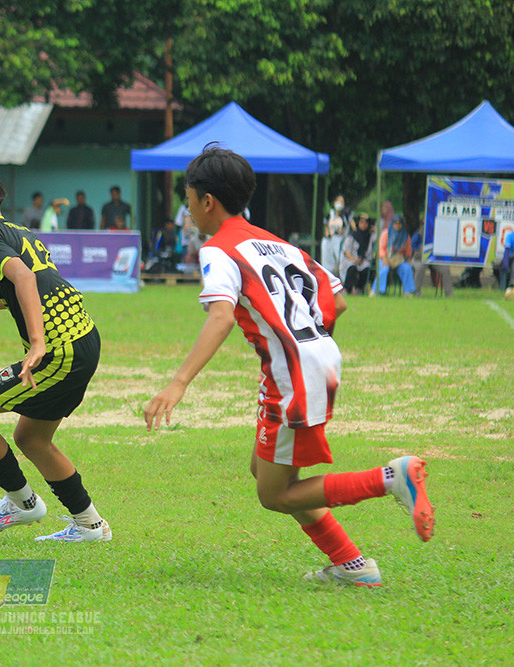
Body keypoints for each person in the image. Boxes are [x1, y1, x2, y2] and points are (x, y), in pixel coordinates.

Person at [143, 145, 435, 586]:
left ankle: (391, 478)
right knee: (263, 470)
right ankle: (353, 565)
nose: (187, 213)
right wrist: (308, 343)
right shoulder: (277, 242)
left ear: (207, 202)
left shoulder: (218, 250)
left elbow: (221, 315)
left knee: (274, 493)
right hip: (312, 361)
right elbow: (337, 300)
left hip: (292, 373)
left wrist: (178, 383)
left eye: (187, 202)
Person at [0, 149, 111, 543]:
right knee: (32, 439)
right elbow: (32, 281)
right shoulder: (18, 231)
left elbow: (25, 281)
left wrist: (36, 343)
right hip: (82, 339)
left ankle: (21, 503)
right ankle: (90, 525)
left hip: (57, 349)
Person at [377, 207, 416, 295]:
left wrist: (407, 258)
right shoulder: (386, 233)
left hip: (398, 260)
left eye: (399, 224)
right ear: (392, 224)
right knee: (384, 269)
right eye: (395, 223)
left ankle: (408, 291)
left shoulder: (405, 236)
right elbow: (381, 248)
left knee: (407, 268)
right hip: (385, 258)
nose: (397, 225)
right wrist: (385, 259)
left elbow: (408, 251)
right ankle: (378, 291)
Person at [339, 213, 376, 295]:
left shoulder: (370, 236)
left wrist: (375, 230)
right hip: (351, 259)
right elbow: (346, 251)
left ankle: (359, 288)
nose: (363, 225)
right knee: (352, 268)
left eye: (366, 223)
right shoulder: (352, 235)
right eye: (361, 222)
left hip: (364, 260)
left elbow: (377, 240)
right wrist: (354, 259)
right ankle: (347, 288)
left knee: (366, 269)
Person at [411, 226, 453, 297]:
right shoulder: (418, 235)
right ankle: (416, 292)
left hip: (433, 258)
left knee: (445, 269)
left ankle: (449, 293)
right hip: (419, 258)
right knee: (420, 268)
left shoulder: (438, 234)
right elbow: (413, 248)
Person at [320, 195, 350, 279]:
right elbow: (326, 224)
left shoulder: (345, 215)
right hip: (329, 239)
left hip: (339, 239)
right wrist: (327, 232)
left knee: (340, 261)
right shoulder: (330, 213)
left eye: (341, 202)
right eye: (338, 201)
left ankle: (343, 281)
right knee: (327, 261)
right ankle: (328, 280)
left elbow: (347, 227)